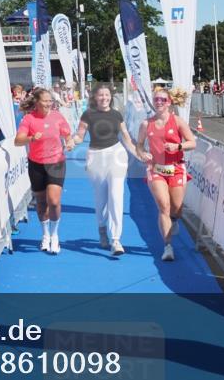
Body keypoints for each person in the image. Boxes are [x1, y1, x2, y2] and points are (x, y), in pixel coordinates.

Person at [72, 83, 142, 257]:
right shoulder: (88, 114)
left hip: (116, 155)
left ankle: (116, 240)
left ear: (111, 96)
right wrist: (72, 141)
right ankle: (102, 229)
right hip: (96, 157)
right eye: (101, 95)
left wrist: (139, 154)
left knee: (116, 196)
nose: (104, 98)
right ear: (95, 97)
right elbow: (80, 135)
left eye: (107, 95)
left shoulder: (117, 114)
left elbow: (126, 138)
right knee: (101, 199)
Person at [135, 87, 196, 261]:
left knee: (176, 208)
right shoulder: (146, 124)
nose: (159, 102)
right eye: (156, 100)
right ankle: (168, 246)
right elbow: (139, 144)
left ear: (169, 102)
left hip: (176, 168)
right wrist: (142, 153)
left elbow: (192, 142)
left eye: (163, 99)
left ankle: (174, 220)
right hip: (156, 169)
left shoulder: (177, 121)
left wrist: (178, 147)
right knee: (163, 206)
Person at [14, 88, 74, 254]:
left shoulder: (57, 117)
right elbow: (17, 141)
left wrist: (69, 142)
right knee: (41, 202)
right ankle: (45, 235)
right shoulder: (29, 118)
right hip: (36, 165)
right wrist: (31, 138)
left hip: (56, 163)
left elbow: (67, 135)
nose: (49, 103)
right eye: (45, 101)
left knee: (53, 201)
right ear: (37, 102)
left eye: (50, 101)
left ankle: (55, 236)